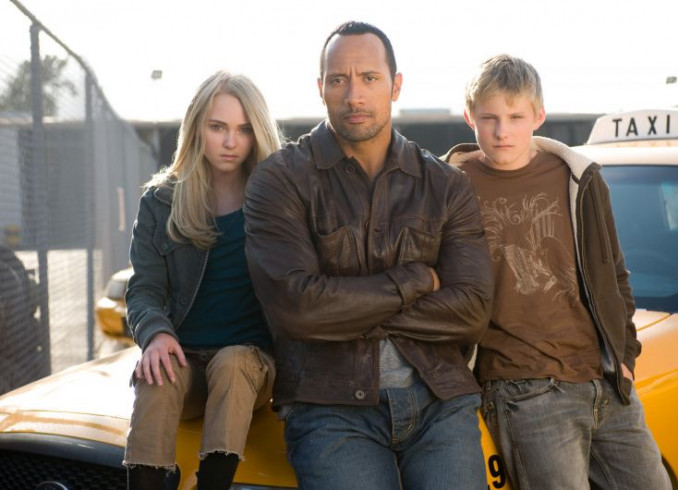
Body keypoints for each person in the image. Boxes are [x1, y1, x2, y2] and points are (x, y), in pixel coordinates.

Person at [244, 20, 493, 490]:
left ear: (395, 86)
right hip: (330, 407)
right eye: (339, 79)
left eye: (369, 78)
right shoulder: (281, 180)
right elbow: (298, 308)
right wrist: (415, 280)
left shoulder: (445, 185)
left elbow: (473, 310)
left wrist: (343, 308)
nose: (354, 95)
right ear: (321, 88)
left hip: (439, 398)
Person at [442, 54, 672, 489]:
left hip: (603, 380)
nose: (502, 131)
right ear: (470, 116)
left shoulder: (579, 178)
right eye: (489, 118)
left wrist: (624, 358)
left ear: (539, 116)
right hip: (522, 388)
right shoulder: (447, 186)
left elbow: (614, 273)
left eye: (515, 117)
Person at [122, 71, 282, 490]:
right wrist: (155, 334)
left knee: (232, 363)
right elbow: (144, 288)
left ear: (257, 133)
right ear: (197, 128)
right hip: (188, 363)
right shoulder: (162, 201)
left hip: (251, 366)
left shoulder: (278, 200)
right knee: (158, 372)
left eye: (244, 129)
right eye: (217, 127)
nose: (231, 142)